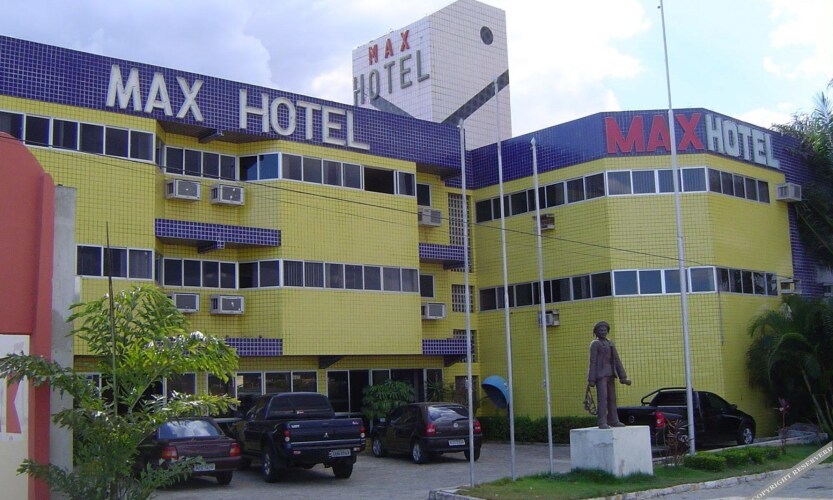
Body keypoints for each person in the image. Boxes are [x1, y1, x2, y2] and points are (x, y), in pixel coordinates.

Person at [587, 321, 631, 429]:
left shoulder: (610, 343)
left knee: (612, 399)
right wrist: (591, 379)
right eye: (600, 330)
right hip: (600, 375)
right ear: (596, 332)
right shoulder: (595, 344)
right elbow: (592, 362)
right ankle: (602, 421)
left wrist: (623, 377)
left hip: (611, 374)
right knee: (602, 399)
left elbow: (616, 359)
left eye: (605, 329)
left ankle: (613, 420)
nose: (603, 331)